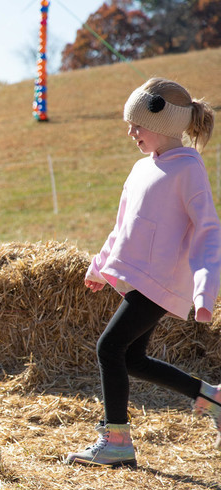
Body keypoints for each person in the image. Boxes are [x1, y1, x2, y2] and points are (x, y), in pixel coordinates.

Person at [66, 78, 220, 468]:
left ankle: (116, 439)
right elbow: (123, 225)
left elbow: (207, 230)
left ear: (165, 124)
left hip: (162, 279)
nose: (131, 131)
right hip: (140, 278)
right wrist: (100, 265)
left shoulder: (188, 170)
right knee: (132, 357)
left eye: (137, 124)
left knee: (108, 348)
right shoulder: (140, 169)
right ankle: (213, 397)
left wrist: (205, 291)